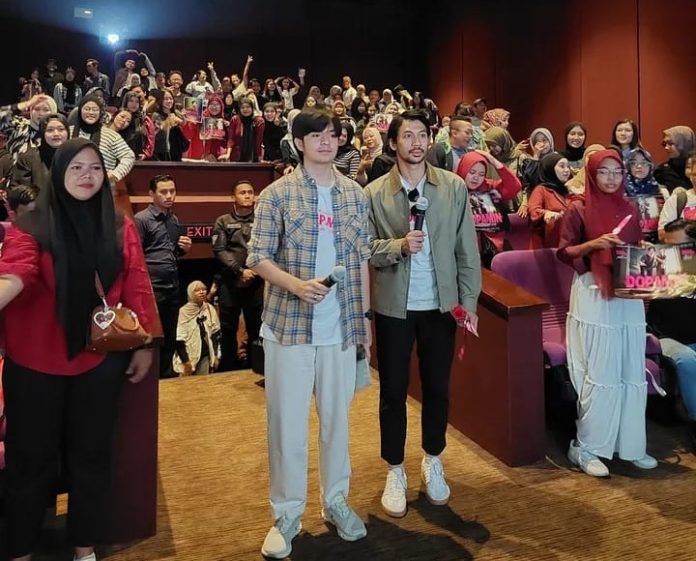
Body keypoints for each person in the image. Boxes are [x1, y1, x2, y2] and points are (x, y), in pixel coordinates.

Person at [0, 138, 157, 561]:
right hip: (34, 360)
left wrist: (145, 343)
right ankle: (19, 549)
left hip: (98, 359)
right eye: (76, 168)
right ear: (58, 173)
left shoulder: (119, 224)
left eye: (95, 168)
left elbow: (137, 280)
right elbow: (15, 273)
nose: (87, 176)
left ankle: (84, 546)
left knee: (92, 456)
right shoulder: (32, 225)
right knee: (29, 461)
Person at [247, 109, 370, 558]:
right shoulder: (277, 194)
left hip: (341, 328)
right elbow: (258, 257)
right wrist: (297, 286)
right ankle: (287, 513)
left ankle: (335, 501)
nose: (325, 142)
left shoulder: (355, 194)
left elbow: (360, 259)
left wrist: (365, 324)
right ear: (299, 143)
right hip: (289, 328)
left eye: (332, 135)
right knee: (288, 427)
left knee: (337, 423)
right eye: (316, 135)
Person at [364, 110, 481, 518]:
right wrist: (397, 246)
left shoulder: (452, 187)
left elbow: (467, 249)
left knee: (438, 389)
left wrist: (468, 302)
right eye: (407, 135)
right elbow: (364, 248)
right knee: (392, 392)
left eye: (422, 134)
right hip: (394, 308)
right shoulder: (374, 193)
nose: (416, 142)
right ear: (393, 142)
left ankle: (433, 458)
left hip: (440, 306)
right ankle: (394, 468)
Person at [557, 148, 657, 477]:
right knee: (600, 370)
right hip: (593, 291)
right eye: (604, 171)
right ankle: (586, 447)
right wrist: (593, 245)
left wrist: (646, 249)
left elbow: (635, 245)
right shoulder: (577, 208)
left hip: (627, 292)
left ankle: (630, 445)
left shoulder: (630, 207)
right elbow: (564, 252)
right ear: (592, 174)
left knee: (630, 368)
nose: (611, 177)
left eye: (617, 171)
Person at [134, 175, 192, 378]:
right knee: (151, 334)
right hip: (151, 287)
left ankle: (166, 375)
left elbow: (171, 253)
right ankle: (149, 377)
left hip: (172, 285)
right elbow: (136, 255)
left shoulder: (173, 219)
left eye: (172, 191)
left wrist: (183, 249)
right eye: (163, 192)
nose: (169, 196)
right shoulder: (142, 219)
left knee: (169, 333)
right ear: (151, 194)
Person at [647, 219, 696, 450]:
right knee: (687, 359)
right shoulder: (657, 265)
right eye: (666, 245)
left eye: (675, 245)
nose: (668, 251)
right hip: (663, 338)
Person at [212, 180, 263, 371]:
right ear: (233, 197)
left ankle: (256, 367)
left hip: (256, 281)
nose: (248, 195)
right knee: (228, 329)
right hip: (230, 282)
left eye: (250, 192)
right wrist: (239, 271)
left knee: (256, 327)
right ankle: (228, 369)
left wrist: (256, 269)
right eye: (243, 192)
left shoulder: (262, 220)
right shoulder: (223, 221)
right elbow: (219, 250)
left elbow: (268, 246)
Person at [455, 150, 522, 266]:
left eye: (481, 174)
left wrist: (493, 161)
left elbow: (514, 186)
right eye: (472, 172)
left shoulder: (490, 187)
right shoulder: (452, 189)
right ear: (463, 169)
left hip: (492, 250)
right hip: (463, 252)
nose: (476, 178)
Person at [70, 95, 135, 184]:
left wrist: (115, 175)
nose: (91, 112)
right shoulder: (68, 132)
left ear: (100, 113)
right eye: (87, 109)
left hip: (101, 186)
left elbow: (129, 156)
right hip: (72, 185)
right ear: (80, 111)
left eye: (95, 110)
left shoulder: (111, 135)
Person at [10, 113, 69, 192]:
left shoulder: (76, 157)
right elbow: (17, 190)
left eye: (61, 129)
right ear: (42, 132)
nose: (56, 134)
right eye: (50, 130)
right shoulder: (27, 158)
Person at [173, 281, 221, 376]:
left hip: (205, 355)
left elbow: (215, 335)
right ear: (190, 293)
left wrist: (215, 355)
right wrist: (186, 362)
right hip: (187, 357)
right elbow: (179, 340)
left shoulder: (209, 309)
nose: (202, 292)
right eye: (197, 290)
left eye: (204, 289)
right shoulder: (183, 312)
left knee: (203, 383)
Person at [528, 153, 572, 248]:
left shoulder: (569, 191)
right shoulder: (541, 190)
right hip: (545, 246)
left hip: (567, 243)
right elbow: (534, 211)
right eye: (562, 166)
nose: (567, 170)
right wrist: (547, 214)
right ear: (550, 168)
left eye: (568, 166)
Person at [0, 94, 58, 163]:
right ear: (30, 111)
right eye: (37, 109)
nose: (41, 113)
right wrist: (27, 104)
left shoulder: (59, 132)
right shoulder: (20, 126)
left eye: (46, 110)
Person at [654, 126, 695, 193]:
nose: (666, 148)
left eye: (670, 143)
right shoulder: (662, 170)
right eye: (664, 144)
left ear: (684, 143)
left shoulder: (694, 167)